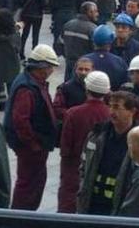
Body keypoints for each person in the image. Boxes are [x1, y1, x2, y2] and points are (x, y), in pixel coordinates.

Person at [4, 44, 59, 211]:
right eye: (50, 67)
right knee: (28, 183)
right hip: (31, 147)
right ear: (42, 68)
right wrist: (34, 144)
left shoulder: (31, 82)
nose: (51, 71)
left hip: (35, 145)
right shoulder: (27, 88)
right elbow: (21, 121)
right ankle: (20, 217)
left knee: (35, 181)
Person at [77, 91, 139, 215]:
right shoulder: (97, 134)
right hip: (92, 205)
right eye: (109, 106)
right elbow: (84, 163)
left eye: (116, 107)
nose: (111, 111)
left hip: (119, 208)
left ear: (132, 111)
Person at [57, 71, 111, 213]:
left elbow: (65, 146)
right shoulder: (110, 114)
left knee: (68, 197)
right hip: (100, 163)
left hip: (74, 163)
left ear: (87, 89)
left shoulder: (73, 113)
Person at [61, 2, 99, 80]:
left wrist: (67, 56)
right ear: (90, 12)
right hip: (84, 67)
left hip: (69, 63)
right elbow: (95, 49)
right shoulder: (93, 29)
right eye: (95, 11)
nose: (97, 14)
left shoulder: (68, 25)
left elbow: (60, 43)